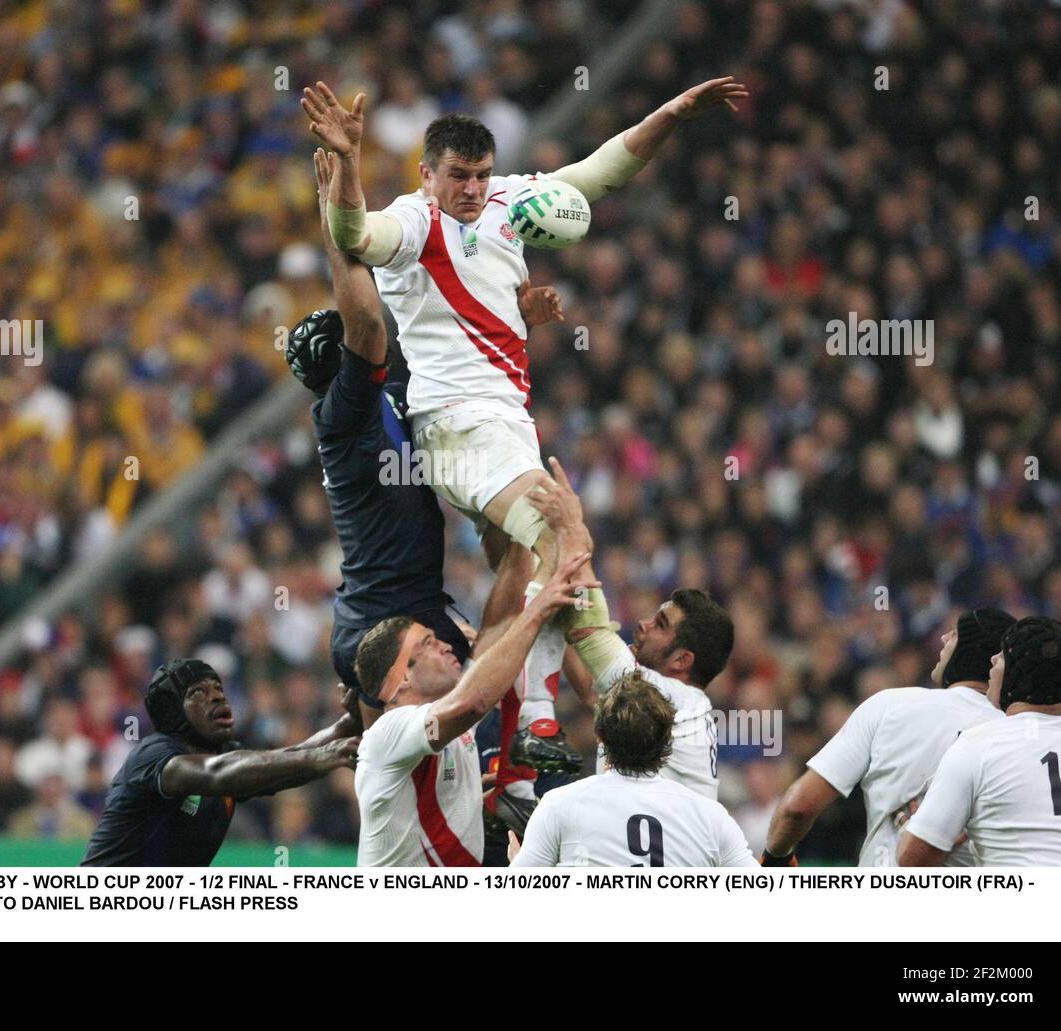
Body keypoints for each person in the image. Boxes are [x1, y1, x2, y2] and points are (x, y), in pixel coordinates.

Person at [301, 76, 745, 772]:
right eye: (458, 177)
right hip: (456, 428)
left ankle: (519, 737)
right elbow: (354, 232)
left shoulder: (508, 202)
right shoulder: (415, 222)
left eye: (480, 175)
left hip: (508, 424)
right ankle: (623, 704)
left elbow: (602, 171)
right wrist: (348, 166)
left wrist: (671, 109)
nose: (472, 189)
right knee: (560, 537)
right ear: (428, 174)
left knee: (522, 566)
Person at [351, 510, 597, 866]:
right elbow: (475, 700)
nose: (448, 645)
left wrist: (508, 511)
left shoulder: (448, 721)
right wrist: (540, 607)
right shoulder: (388, 733)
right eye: (428, 644)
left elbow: (503, 618)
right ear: (402, 678)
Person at [527, 457, 734, 799]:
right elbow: (594, 690)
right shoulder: (663, 704)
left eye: (660, 625)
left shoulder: (676, 701)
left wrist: (572, 529)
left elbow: (592, 637)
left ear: (683, 660)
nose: (643, 624)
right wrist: (558, 608)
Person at [763, 608, 1012, 867]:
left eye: (955, 634)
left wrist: (774, 859)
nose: (943, 639)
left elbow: (798, 808)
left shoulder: (888, 705)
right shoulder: (1015, 734)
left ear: (970, 650)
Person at [82, 659, 359, 866]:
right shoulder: (154, 754)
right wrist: (322, 755)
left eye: (217, 687)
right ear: (173, 711)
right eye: (197, 693)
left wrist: (349, 722)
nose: (216, 695)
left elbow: (287, 760)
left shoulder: (227, 759)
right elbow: (217, 773)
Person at [509, 669, 757, 867]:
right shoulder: (712, 817)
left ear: (599, 736)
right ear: (666, 740)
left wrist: (516, 865)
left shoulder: (559, 805)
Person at [899, 617, 1061, 866]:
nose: (993, 660)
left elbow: (912, 859)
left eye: (1004, 655)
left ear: (1018, 673)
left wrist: (912, 828)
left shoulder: (978, 744)